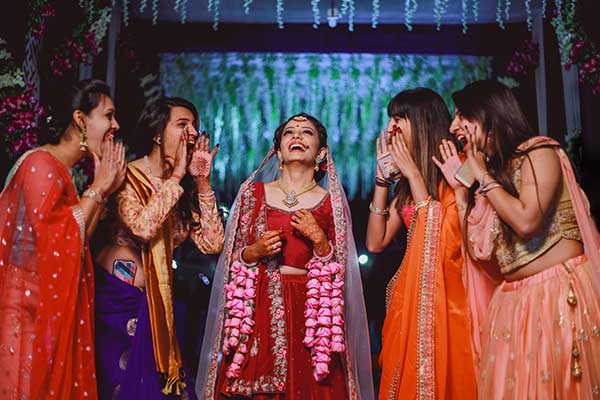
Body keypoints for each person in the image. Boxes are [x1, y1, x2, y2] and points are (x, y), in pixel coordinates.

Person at [195, 113, 374, 399]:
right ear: (278, 152)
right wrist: (254, 251)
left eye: (307, 132)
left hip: (310, 316)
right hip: (259, 311)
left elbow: (342, 273)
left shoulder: (331, 204)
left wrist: (319, 240)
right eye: (289, 132)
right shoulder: (252, 194)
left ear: (321, 153)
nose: (297, 136)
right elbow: (230, 258)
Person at [445, 79, 600, 399]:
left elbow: (527, 221)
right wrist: (461, 195)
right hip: (514, 305)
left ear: (488, 113)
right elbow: (481, 256)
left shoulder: (538, 151)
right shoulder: (491, 177)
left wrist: (483, 176)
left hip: (557, 294)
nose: (453, 126)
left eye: (462, 115)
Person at [0, 79, 125, 399]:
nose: (115, 126)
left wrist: (104, 191)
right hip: (26, 317)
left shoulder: (58, 169)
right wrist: (98, 188)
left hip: (41, 310)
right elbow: (57, 240)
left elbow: (75, 242)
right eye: (108, 116)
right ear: (81, 119)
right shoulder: (40, 165)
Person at [93, 97, 225, 399]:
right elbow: (142, 227)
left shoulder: (182, 189)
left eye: (195, 126)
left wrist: (202, 183)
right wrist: (176, 176)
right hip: (118, 305)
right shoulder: (126, 176)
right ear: (156, 133)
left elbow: (212, 243)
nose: (193, 133)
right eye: (182, 124)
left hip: (158, 306)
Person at [368, 88, 477, 399]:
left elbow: (448, 239)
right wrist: (382, 181)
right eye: (390, 119)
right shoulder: (405, 183)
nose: (390, 128)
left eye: (399, 119)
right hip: (415, 294)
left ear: (422, 121)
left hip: (454, 294)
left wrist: (414, 175)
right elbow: (375, 242)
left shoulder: (460, 166)